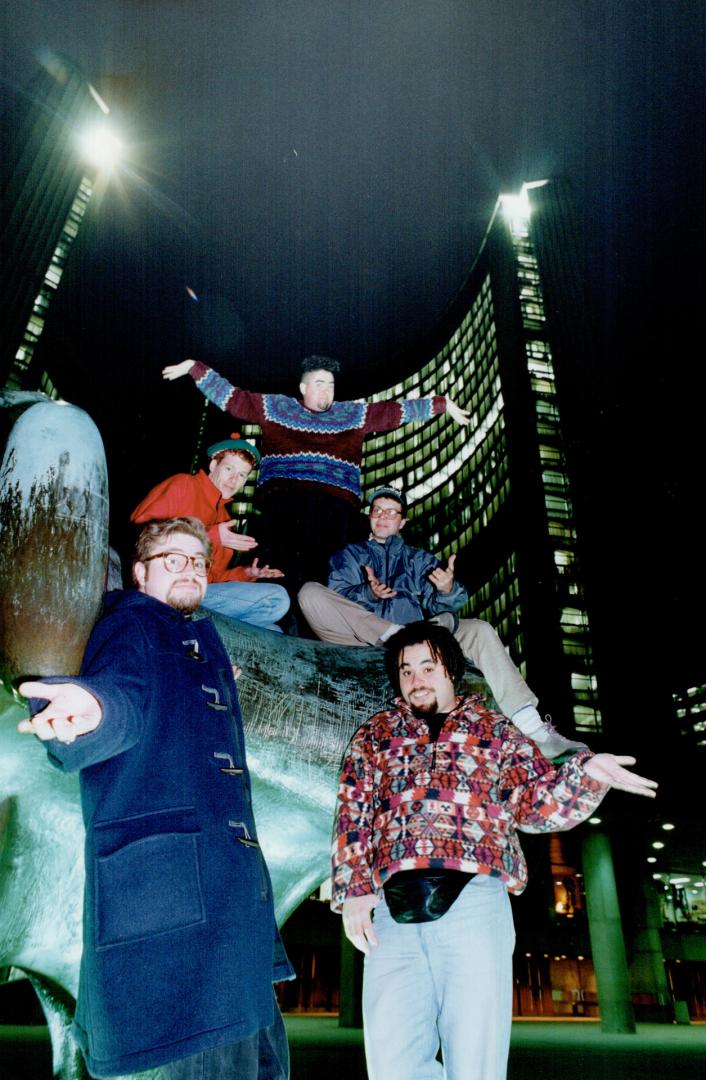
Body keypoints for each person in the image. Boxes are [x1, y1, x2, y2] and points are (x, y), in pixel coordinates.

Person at [17, 517, 293, 1079]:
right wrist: (94, 714)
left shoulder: (192, 640)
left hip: (224, 924)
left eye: (198, 561)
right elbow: (119, 693)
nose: (190, 569)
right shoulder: (133, 625)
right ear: (140, 572)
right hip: (179, 934)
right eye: (174, 559)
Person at [331, 621, 657, 1080]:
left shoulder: (495, 729)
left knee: (476, 1059)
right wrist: (355, 892)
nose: (416, 679)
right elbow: (352, 812)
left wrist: (588, 773)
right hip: (390, 909)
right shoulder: (376, 734)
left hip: (473, 900)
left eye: (429, 666)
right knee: (391, 1061)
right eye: (406, 671)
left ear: (453, 671)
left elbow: (536, 805)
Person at [299, 485, 584, 758]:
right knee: (309, 593)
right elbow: (336, 596)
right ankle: (393, 635)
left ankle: (533, 728)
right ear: (369, 516)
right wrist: (368, 593)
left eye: (391, 512)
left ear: (402, 522)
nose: (383, 517)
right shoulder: (349, 555)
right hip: (362, 639)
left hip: (419, 638)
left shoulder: (417, 559)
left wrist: (447, 589)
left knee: (480, 630)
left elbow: (440, 602)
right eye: (378, 511)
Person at [161, 356, 470, 593]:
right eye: (320, 383)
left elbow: (394, 412)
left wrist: (441, 405)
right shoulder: (276, 407)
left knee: (326, 580)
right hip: (284, 505)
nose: (327, 391)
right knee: (278, 575)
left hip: (335, 509)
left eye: (331, 385)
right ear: (303, 387)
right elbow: (235, 399)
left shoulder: (352, 414)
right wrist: (195, 368)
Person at [131, 433, 290, 633]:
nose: (234, 480)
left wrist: (246, 574)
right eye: (229, 469)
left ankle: (196, 636)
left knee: (273, 631)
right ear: (214, 465)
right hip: (165, 586)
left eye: (242, 475)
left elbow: (213, 577)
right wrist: (211, 536)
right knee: (277, 599)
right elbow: (143, 532)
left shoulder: (223, 517)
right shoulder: (183, 485)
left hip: (201, 592)